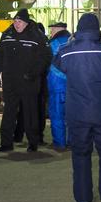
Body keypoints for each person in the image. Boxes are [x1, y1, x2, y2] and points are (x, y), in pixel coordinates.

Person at [53, 13, 101, 202]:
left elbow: (57, 64)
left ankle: (82, 200)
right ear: (98, 30)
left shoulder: (66, 52)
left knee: (80, 154)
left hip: (77, 113)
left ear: (78, 30)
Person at [0, 8, 50, 152]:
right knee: (8, 112)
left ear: (26, 22)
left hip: (28, 82)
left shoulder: (37, 36)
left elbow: (45, 57)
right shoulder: (7, 35)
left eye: (20, 22)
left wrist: (33, 74)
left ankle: (33, 142)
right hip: (10, 81)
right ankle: (6, 143)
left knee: (30, 113)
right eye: (15, 21)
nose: (17, 24)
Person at [46, 20, 71, 150]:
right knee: (71, 115)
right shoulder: (73, 41)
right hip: (72, 84)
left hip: (56, 83)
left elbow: (46, 62)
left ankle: (59, 143)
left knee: (57, 113)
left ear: (57, 29)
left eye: (52, 29)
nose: (51, 32)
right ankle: (72, 142)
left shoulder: (53, 43)